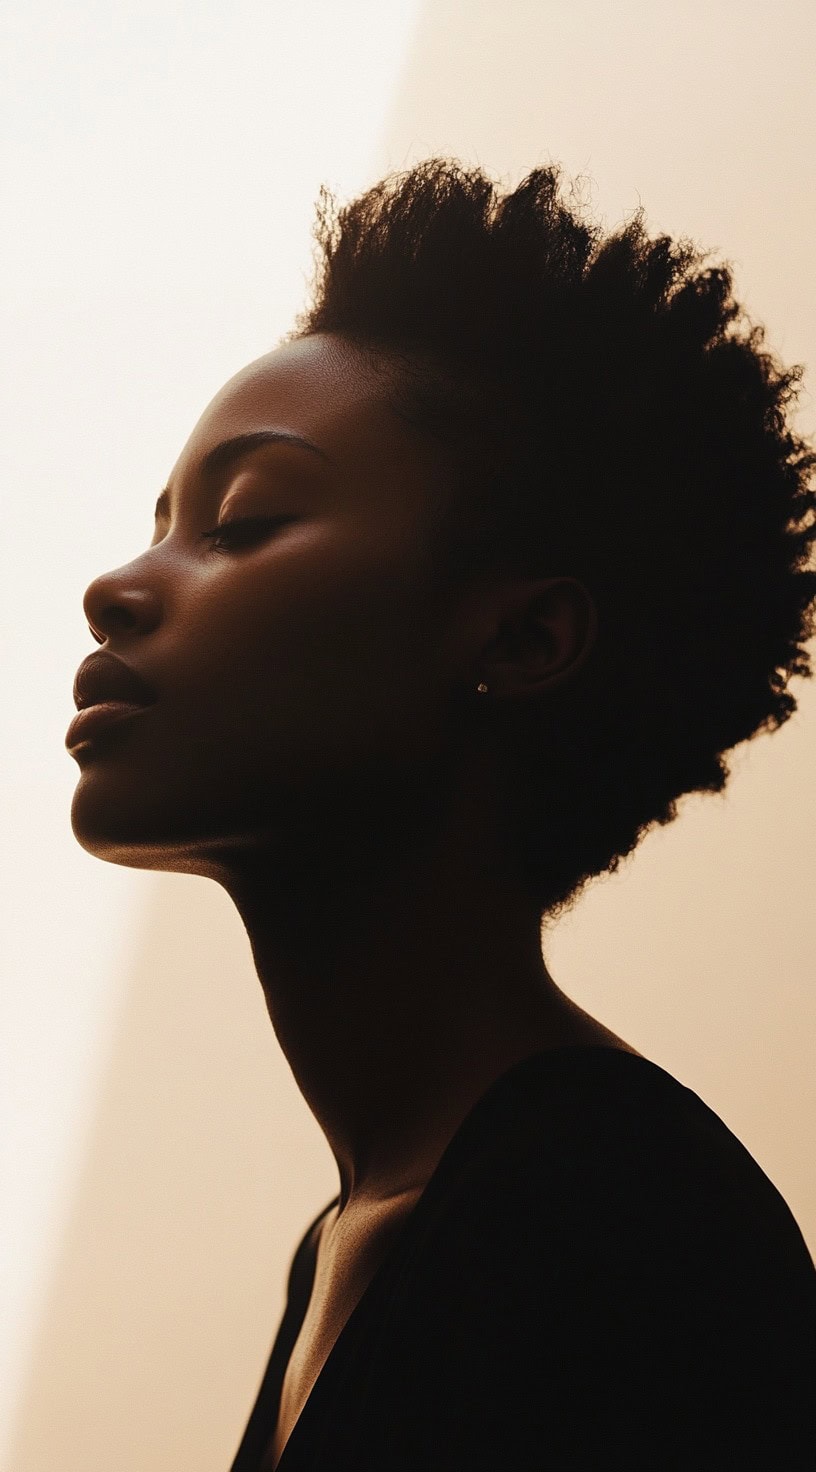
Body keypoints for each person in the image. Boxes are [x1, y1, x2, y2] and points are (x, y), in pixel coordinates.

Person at [67, 159, 816, 1469]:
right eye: (164, 523)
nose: (119, 586)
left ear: (522, 636)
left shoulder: (620, 1233)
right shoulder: (365, 1241)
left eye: (244, 522)